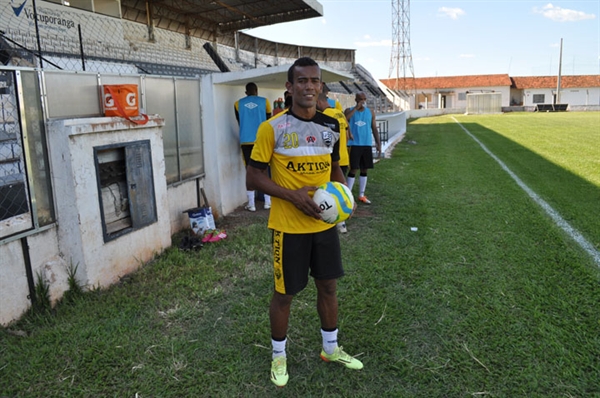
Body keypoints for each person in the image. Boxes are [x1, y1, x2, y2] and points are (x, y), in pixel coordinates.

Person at [246, 57, 363, 388]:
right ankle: (279, 355)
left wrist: (343, 200)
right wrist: (292, 195)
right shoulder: (272, 128)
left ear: (320, 86)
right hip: (288, 228)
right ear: (289, 87)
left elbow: (336, 168)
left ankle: (330, 349)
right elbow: (252, 178)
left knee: (328, 286)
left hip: (324, 226)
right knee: (285, 294)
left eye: (314, 81)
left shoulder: (331, 126)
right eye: (302, 81)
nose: (309, 87)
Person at [317, 92, 353, 234]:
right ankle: (341, 219)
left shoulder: (326, 117)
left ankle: (339, 222)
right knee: (339, 189)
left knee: (331, 191)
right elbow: (348, 134)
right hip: (344, 156)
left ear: (319, 102)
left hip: (334, 159)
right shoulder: (339, 113)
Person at [234, 82, 272, 211]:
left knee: (249, 171)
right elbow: (268, 120)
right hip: (261, 140)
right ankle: (267, 202)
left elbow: (239, 120)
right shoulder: (265, 102)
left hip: (246, 140)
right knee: (264, 169)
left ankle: (251, 204)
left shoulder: (237, 104)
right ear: (256, 91)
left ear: (246, 92)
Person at [344, 91, 381, 205]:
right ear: (356, 99)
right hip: (354, 144)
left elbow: (374, 128)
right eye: (360, 99)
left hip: (366, 144)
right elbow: (344, 120)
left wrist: (378, 143)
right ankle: (348, 195)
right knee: (353, 169)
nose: (363, 101)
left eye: (364, 99)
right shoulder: (349, 110)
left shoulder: (370, 112)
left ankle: (361, 194)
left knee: (365, 169)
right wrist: (356, 108)